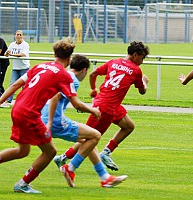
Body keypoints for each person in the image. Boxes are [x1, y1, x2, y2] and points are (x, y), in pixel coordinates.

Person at [0, 37, 101, 194]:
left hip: (17, 109)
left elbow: (15, 84)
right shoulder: (64, 75)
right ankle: (23, 184)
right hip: (30, 114)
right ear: (69, 58)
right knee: (50, 152)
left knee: (23, 151)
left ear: (55, 54)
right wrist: (93, 110)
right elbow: (76, 104)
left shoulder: (40, 66)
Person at [53, 41, 150, 171]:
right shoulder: (136, 70)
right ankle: (63, 158)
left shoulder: (113, 62)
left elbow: (93, 74)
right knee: (90, 137)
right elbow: (142, 91)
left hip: (108, 103)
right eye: (142, 58)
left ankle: (106, 152)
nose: (142, 61)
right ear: (135, 54)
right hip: (106, 108)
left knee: (129, 126)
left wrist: (93, 89)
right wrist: (144, 81)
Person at [41, 54, 127, 188]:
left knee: (89, 140)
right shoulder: (73, 80)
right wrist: (91, 110)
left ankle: (105, 178)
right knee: (95, 135)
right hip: (56, 122)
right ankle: (70, 168)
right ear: (84, 70)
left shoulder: (63, 74)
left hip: (41, 119)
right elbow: (62, 99)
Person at [4, 30, 30, 106]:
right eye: (17, 35)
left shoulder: (25, 45)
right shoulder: (12, 44)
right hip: (15, 68)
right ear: (15, 36)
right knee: (12, 84)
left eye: (20, 35)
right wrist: (7, 53)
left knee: (24, 86)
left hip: (24, 68)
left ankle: (25, 101)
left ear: (22, 36)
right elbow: (6, 54)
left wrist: (12, 54)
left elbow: (22, 55)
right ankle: (8, 101)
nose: (18, 36)